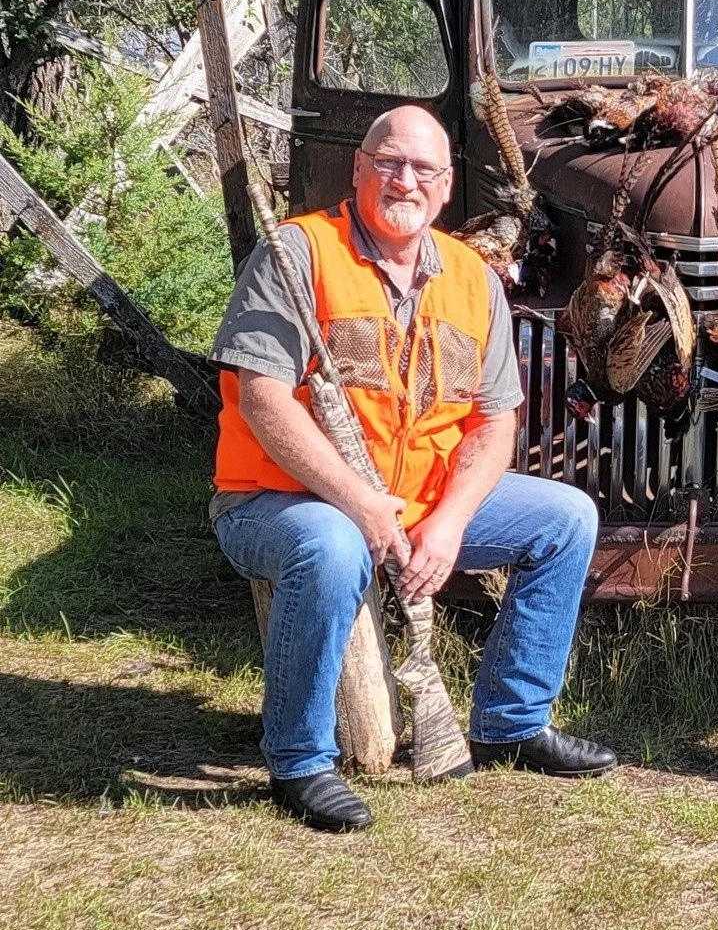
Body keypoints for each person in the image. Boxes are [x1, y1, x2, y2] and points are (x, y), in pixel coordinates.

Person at [211, 104, 614, 832]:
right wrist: (361, 504)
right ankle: (299, 759)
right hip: (277, 499)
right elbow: (262, 399)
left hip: (420, 503)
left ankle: (511, 724)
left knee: (565, 519)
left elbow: (497, 421)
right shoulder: (299, 253)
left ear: (446, 183)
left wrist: (451, 523)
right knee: (330, 546)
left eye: (423, 168)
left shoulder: (471, 277)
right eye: (389, 162)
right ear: (359, 169)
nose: (405, 180)